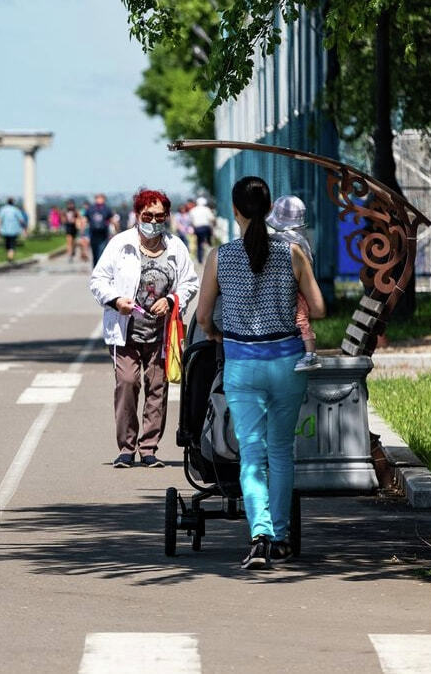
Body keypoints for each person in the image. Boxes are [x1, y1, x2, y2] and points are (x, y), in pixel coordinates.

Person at [196, 176, 326, 570]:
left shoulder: (220, 257)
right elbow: (317, 308)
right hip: (288, 363)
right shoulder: (291, 253)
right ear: (270, 210)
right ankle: (282, 538)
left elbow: (203, 317)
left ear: (234, 211)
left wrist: (221, 333)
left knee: (251, 454)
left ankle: (260, 536)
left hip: (242, 365)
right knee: (281, 452)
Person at [89, 189, 199, 469]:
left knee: (157, 388)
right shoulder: (120, 244)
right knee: (127, 383)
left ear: (167, 217)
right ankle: (126, 448)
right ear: (137, 215)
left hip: (162, 332)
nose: (153, 221)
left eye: (159, 216)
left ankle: (148, 448)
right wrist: (115, 300)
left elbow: (189, 282)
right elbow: (98, 280)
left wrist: (172, 300)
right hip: (125, 328)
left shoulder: (175, 247)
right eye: (147, 215)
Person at [267, 195, 320, 372]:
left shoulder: (289, 241)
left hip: (296, 289)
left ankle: (311, 354)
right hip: (296, 286)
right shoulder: (300, 238)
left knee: (301, 319)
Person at [85, 193, 115, 265]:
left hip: (103, 234)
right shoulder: (91, 209)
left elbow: (111, 220)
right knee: (95, 253)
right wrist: (83, 233)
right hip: (93, 234)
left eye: (101, 198)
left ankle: (99, 269)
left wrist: (115, 231)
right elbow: (85, 220)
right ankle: (96, 269)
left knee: (101, 252)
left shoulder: (106, 209)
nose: (100, 200)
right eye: (98, 198)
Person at [190, 195, 216, 263]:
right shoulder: (206, 209)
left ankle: (200, 259)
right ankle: (210, 248)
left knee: (199, 243)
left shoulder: (193, 210)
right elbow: (212, 219)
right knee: (208, 241)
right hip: (205, 228)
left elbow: (191, 221)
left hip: (197, 228)